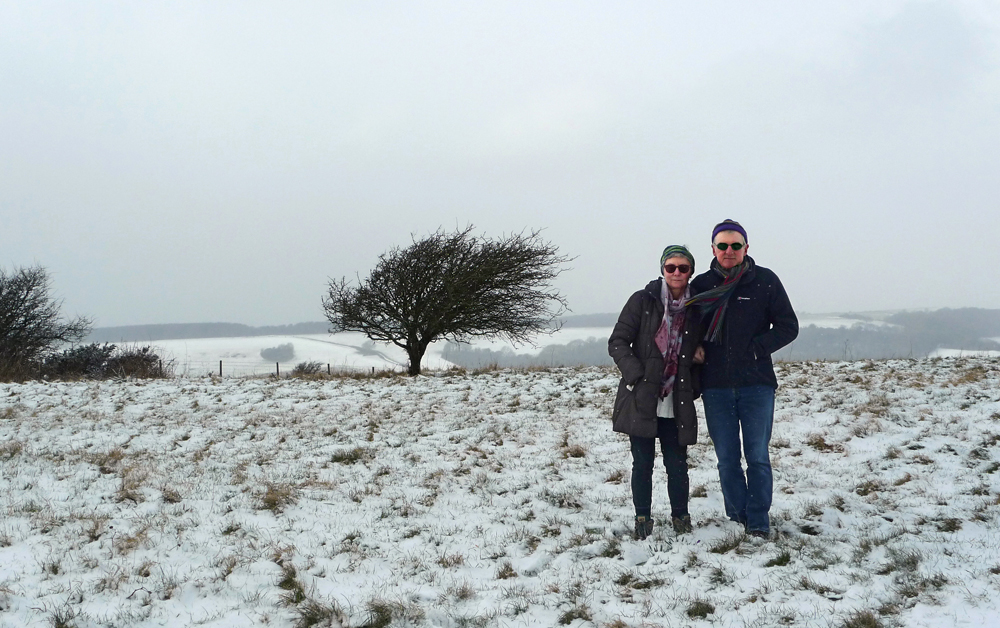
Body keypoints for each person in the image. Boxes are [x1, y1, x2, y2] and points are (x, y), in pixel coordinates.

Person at [688, 219, 798, 539]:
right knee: (727, 459)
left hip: (757, 384)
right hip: (716, 386)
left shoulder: (765, 281)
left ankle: (759, 520)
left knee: (758, 457)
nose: (729, 251)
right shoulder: (701, 286)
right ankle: (737, 516)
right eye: (722, 245)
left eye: (736, 245)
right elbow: (686, 327)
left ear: (746, 248)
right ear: (713, 249)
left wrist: (757, 350)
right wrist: (692, 348)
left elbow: (788, 326)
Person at [608, 245, 704, 540]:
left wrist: (698, 365)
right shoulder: (642, 300)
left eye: (683, 268)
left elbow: (707, 346)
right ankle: (642, 519)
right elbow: (618, 342)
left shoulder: (697, 307)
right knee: (642, 463)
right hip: (642, 397)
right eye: (671, 267)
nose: (676, 273)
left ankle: (681, 517)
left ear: (691, 272)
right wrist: (637, 376)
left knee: (677, 464)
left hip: (678, 398)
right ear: (662, 269)